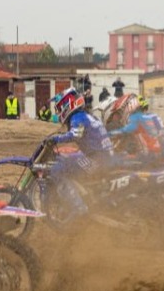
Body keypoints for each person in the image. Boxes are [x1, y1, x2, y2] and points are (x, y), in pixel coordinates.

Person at [45, 87, 114, 217]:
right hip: (103, 157)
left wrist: (55, 139)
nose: (59, 112)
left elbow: (75, 135)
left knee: (57, 169)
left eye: (60, 108)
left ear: (68, 105)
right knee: (71, 157)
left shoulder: (77, 117)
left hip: (98, 160)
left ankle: (78, 208)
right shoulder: (89, 116)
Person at [109, 95, 164, 161]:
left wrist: (109, 133)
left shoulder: (136, 118)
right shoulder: (155, 116)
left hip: (147, 156)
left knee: (120, 158)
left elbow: (126, 131)